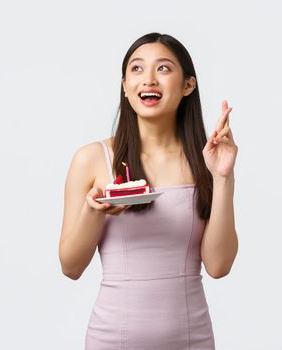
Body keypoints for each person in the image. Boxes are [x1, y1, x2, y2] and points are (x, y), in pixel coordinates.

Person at [59, 32, 238, 350]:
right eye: (137, 69)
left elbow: (218, 266)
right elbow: (70, 266)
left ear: (188, 85)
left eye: (164, 69)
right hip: (112, 340)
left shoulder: (206, 161)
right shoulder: (92, 159)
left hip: (192, 339)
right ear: (125, 86)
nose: (149, 79)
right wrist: (93, 210)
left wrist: (223, 178)